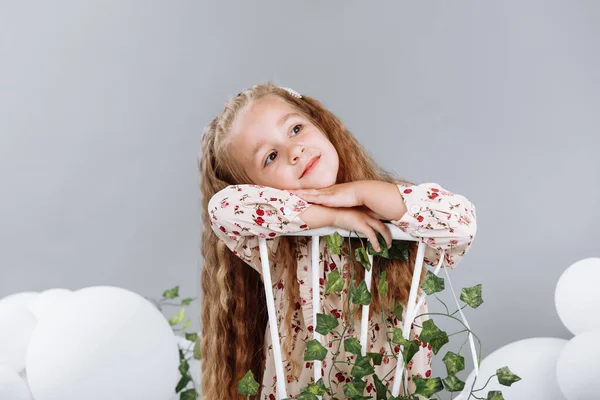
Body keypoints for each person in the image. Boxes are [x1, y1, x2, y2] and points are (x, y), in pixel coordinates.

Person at [199, 82, 477, 399]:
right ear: (257, 186)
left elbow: (461, 222)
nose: (295, 152)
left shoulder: (387, 208)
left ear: (322, 125)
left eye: (295, 129)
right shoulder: (278, 243)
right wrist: (332, 216)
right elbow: (222, 208)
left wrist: (358, 194)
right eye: (271, 156)